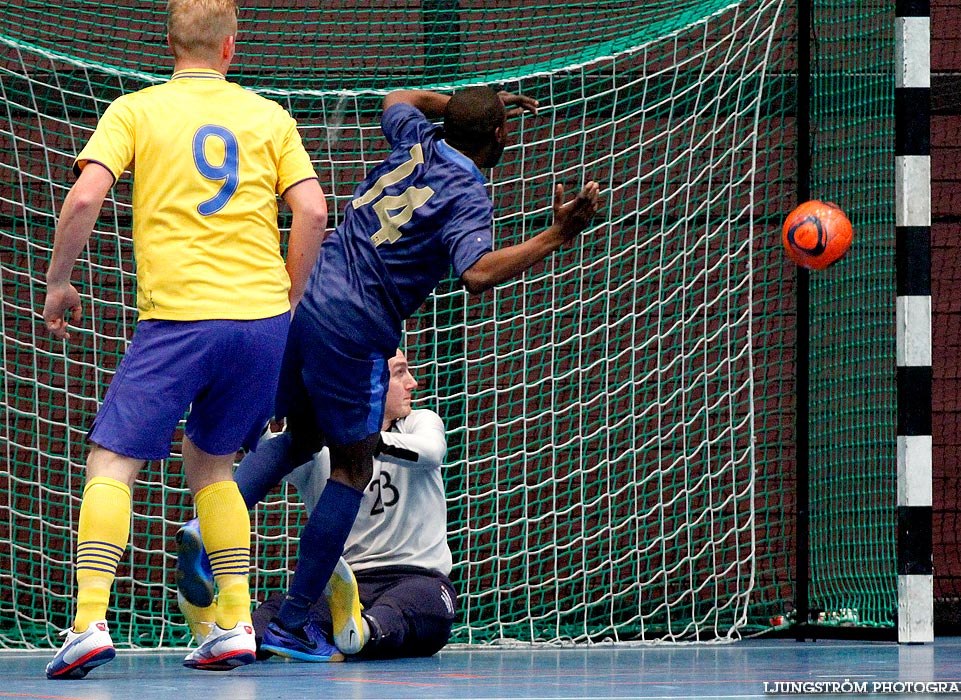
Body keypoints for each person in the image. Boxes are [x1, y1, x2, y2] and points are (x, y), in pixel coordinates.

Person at [178, 85, 600, 661]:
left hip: (305, 296)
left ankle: (210, 529)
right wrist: (557, 235)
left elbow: (397, 96)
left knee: (302, 435)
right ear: (501, 137)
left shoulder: (417, 138)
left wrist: (453, 104)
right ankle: (293, 620)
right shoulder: (469, 193)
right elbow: (476, 274)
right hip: (355, 325)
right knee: (355, 464)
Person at [41, 0, 328, 679]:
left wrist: (58, 281)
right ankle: (233, 622)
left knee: (113, 460)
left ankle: (87, 621)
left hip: (179, 318)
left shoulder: (136, 110)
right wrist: (286, 301)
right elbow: (313, 210)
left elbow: (84, 199)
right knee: (213, 466)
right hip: (259, 324)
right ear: (232, 48)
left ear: (168, 45)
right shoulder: (269, 116)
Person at [178, 349, 457, 659]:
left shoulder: (420, 421)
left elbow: (432, 452)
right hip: (346, 585)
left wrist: (359, 440)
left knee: (428, 605)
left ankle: (359, 631)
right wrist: (261, 425)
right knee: (279, 611)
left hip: (416, 577)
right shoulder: (318, 445)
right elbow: (271, 459)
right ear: (370, 384)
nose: (413, 383)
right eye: (400, 373)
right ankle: (223, 631)